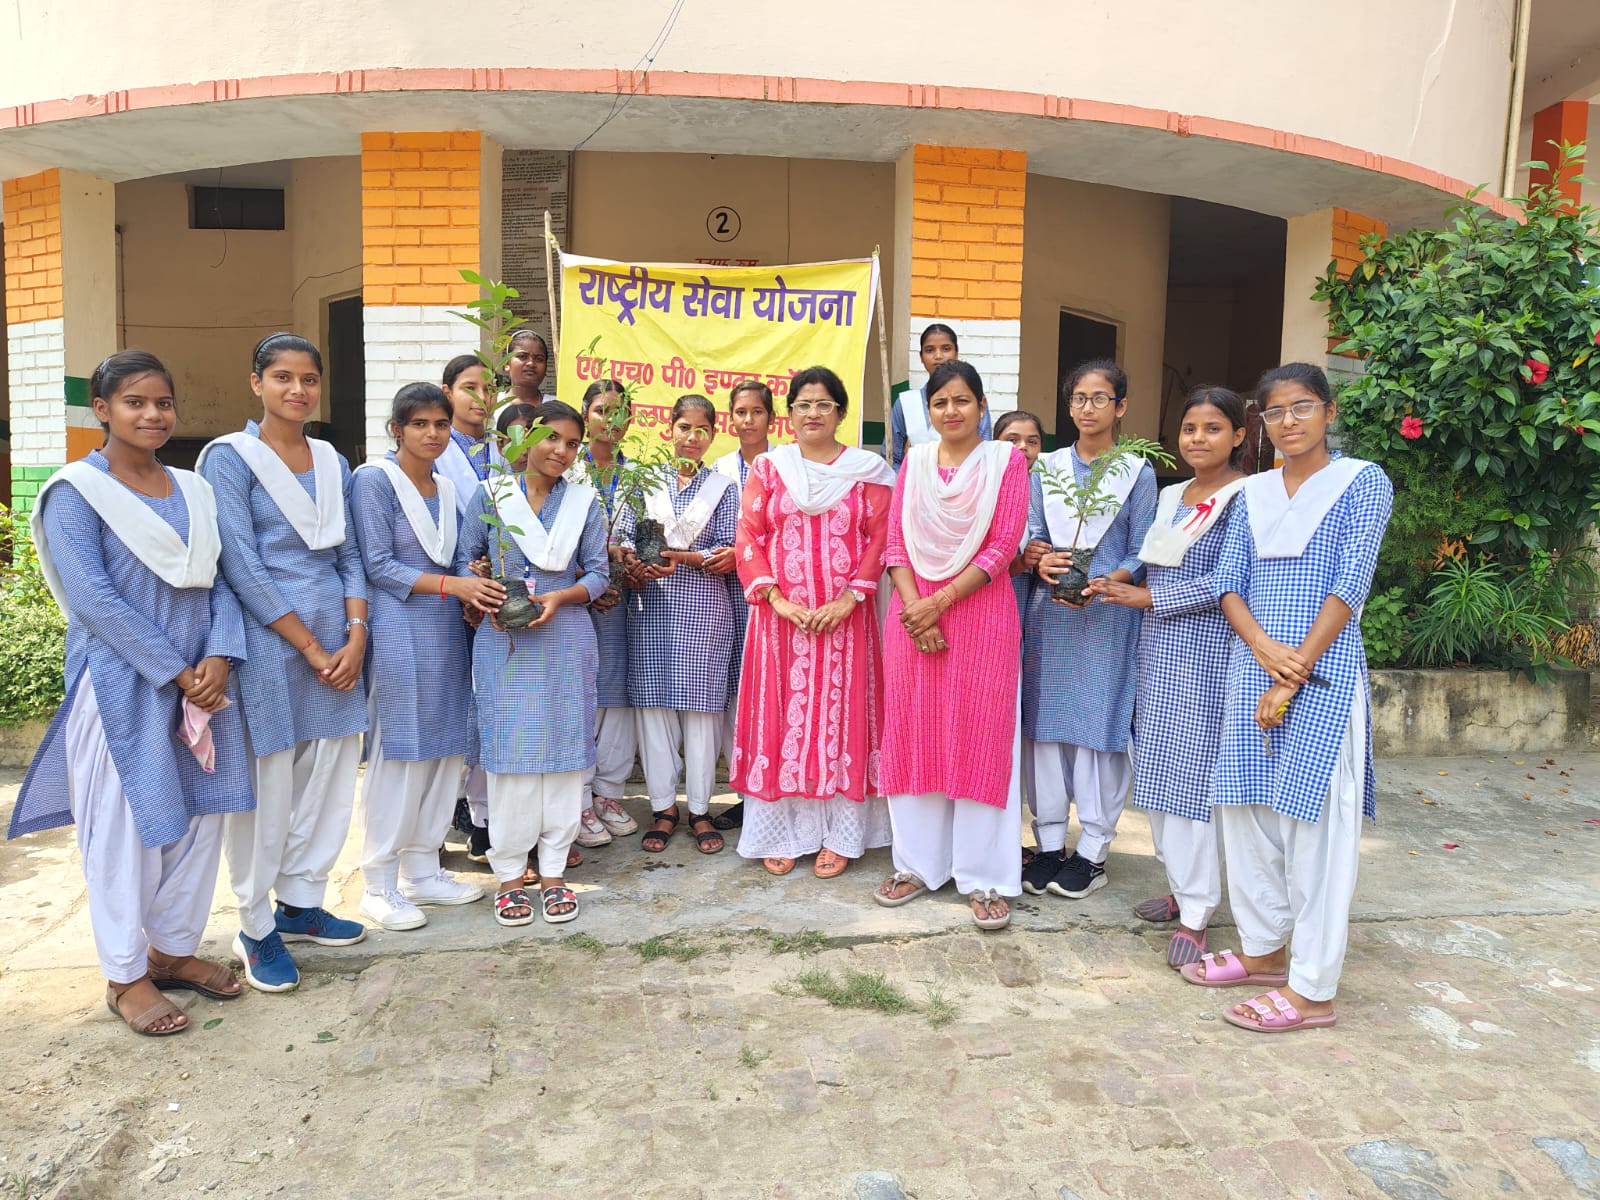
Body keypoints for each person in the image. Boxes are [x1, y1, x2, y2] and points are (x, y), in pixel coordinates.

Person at [11, 351, 252, 1035]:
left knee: (201, 818)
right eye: (135, 402)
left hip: (203, 681)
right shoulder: (75, 492)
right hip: (121, 683)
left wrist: (220, 657)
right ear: (103, 409)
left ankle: (171, 951)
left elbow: (220, 581)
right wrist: (176, 671)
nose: (153, 414)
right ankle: (124, 975)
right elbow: (95, 600)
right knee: (124, 827)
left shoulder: (192, 489)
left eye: (163, 402)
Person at [1182, 363, 1392, 1035]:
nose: (1289, 421)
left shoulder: (1362, 481)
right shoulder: (1252, 492)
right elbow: (1228, 582)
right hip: (1252, 667)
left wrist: (1291, 669)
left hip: (1323, 675)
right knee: (1243, 812)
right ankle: (1264, 951)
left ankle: (1312, 990)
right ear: (1261, 423)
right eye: (1274, 412)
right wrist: (1264, 652)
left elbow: (1350, 581)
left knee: (1317, 830)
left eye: (1302, 407)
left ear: (1329, 411)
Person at [198, 333, 369, 993]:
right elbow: (240, 565)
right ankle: (255, 924)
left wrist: (355, 634)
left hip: (338, 639)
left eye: (309, 379)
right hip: (271, 643)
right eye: (282, 377)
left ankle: (301, 902)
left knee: (329, 773)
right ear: (256, 383)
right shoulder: (230, 459)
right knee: (267, 784)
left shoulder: (331, 459)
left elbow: (349, 554)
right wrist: (312, 646)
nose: (298, 390)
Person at [1085, 386, 1249, 967]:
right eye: (1189, 428)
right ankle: (1181, 887)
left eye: (1212, 428)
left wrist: (1148, 598)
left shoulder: (1245, 497)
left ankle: (1198, 913)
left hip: (1206, 657)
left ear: (1238, 435)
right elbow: (1152, 561)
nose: (1197, 439)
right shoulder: (1173, 493)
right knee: (1154, 774)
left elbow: (1228, 582)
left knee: (1190, 784)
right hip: (1154, 653)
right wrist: (1117, 581)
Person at [874, 360, 1028, 930]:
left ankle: (984, 875)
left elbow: (1003, 546)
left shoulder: (1005, 462)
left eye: (962, 400)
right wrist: (918, 610)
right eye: (940, 402)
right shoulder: (913, 463)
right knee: (915, 732)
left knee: (980, 735)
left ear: (982, 406)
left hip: (980, 614)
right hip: (913, 615)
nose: (951, 411)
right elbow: (895, 545)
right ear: (929, 411)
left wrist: (937, 604)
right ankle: (917, 865)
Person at [350, 383, 505, 930]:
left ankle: (422, 870)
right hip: (398, 625)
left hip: (444, 625)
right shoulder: (374, 480)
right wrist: (452, 585)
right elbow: (376, 564)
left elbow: (458, 557)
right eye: (419, 424)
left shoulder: (446, 486)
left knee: (444, 748)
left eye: (440, 424)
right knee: (400, 751)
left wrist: (474, 582)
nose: (432, 434)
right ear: (396, 429)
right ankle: (378, 882)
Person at [731, 367, 896, 876]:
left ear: (840, 413)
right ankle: (783, 833)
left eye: (824, 404)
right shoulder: (769, 469)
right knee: (783, 721)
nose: (813, 413)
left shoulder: (868, 472)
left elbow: (882, 539)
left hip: (847, 620)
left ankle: (841, 836)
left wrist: (850, 599)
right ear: (790, 414)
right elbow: (749, 537)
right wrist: (778, 601)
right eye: (803, 404)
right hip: (781, 621)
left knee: (842, 722)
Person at [458, 400, 608, 926]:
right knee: (510, 755)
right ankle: (509, 875)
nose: (562, 451)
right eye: (552, 438)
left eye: (572, 444)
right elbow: (464, 562)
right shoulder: (491, 495)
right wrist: (483, 592)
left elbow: (599, 574)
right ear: (526, 437)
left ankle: (553, 873)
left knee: (564, 757)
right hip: (506, 639)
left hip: (565, 635)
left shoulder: (584, 502)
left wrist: (561, 597)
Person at [1021, 359, 1157, 901]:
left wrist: (1109, 580)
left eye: (1100, 398)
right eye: (1079, 398)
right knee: (1047, 728)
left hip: (1108, 615)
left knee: (1098, 727)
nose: (1088, 408)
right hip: (1050, 616)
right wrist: (1040, 559)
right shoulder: (1047, 468)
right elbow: (1033, 532)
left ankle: (1094, 851)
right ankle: (1050, 843)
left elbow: (1143, 547)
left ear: (1120, 407)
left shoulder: (1137, 473)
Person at [616, 394, 740, 855]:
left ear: (713, 435)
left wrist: (682, 558)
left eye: (702, 430)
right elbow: (623, 536)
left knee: (702, 715)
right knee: (654, 711)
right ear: (670, 428)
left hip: (704, 613)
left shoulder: (723, 489)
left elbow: (729, 547)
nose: (692, 437)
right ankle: (664, 808)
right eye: (684, 427)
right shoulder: (644, 481)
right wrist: (631, 563)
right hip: (651, 609)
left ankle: (701, 809)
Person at [568, 380, 643, 848]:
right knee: (581, 696)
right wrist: (589, 581)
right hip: (573, 600)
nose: (609, 421)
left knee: (618, 695)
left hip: (626, 604)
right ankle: (576, 799)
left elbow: (648, 533)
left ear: (630, 421)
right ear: (584, 416)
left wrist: (632, 567)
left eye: (618, 413)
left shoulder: (638, 476)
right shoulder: (566, 472)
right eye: (600, 410)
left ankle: (609, 794)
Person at [709, 379, 774, 833]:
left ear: (772, 418)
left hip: (770, 595)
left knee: (769, 689)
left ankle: (773, 787)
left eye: (757, 411)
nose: (748, 420)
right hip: (724, 594)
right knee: (736, 692)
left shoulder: (785, 466)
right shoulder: (717, 470)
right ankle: (746, 791)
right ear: (730, 418)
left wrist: (745, 554)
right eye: (740, 412)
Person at [889, 324, 994, 470]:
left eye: (946, 348)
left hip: (971, 479)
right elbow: (892, 458)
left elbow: (985, 449)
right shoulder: (906, 403)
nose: (938, 356)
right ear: (921, 357)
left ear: (956, 353)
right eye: (930, 350)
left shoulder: (973, 399)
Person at [437, 353, 504, 515]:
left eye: (489, 390)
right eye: (470, 388)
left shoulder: (504, 444)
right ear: (447, 393)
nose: (481, 397)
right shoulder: (435, 449)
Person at [506, 329, 552, 406]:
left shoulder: (557, 407)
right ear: (507, 364)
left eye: (539, 359)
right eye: (522, 356)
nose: (531, 363)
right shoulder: (492, 404)